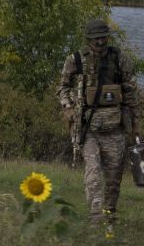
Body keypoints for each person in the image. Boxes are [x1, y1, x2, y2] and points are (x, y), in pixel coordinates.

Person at [57, 18, 139, 225]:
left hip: (115, 127)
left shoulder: (119, 59)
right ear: (88, 39)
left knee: (114, 176)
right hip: (88, 127)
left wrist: (134, 123)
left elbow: (130, 92)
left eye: (103, 37)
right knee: (93, 172)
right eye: (96, 38)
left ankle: (109, 215)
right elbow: (63, 87)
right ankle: (96, 216)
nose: (100, 42)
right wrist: (68, 107)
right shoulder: (75, 60)